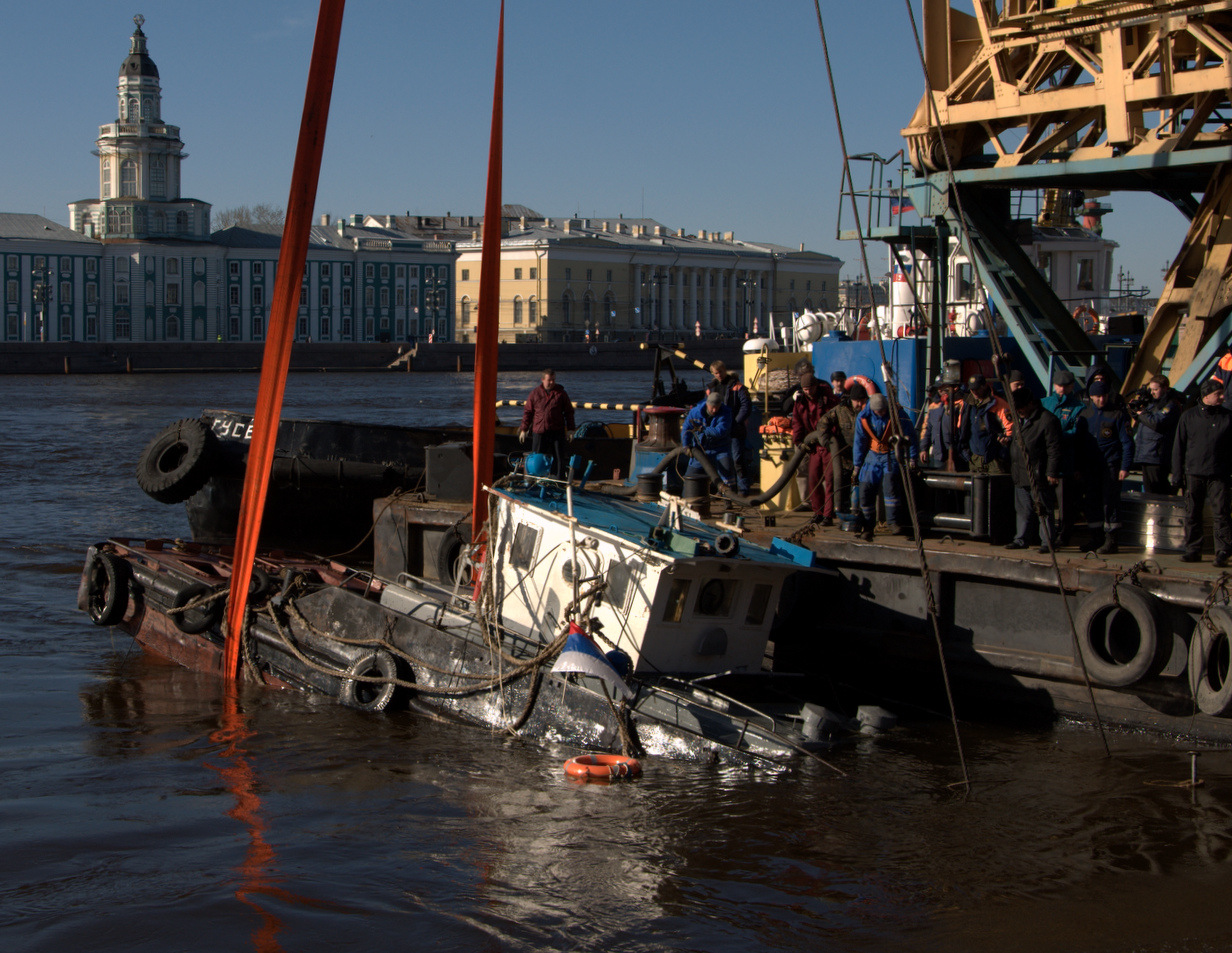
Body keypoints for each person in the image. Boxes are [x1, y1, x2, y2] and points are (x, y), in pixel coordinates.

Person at [1171, 379, 1232, 564]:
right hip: (1194, 471)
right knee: (1192, 513)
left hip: (1219, 473)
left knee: (1221, 512)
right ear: (1206, 395)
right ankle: (1193, 549)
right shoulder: (1189, 417)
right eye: (1217, 394)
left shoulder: (1228, 417)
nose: (1222, 397)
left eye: (1222, 393)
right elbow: (1178, 447)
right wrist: (1177, 473)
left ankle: (1222, 550)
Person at [1076, 378, 1134, 554]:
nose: (1102, 399)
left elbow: (1127, 443)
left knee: (1110, 502)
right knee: (1091, 502)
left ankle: (1111, 540)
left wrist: (1125, 467)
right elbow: (1078, 444)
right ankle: (1096, 537)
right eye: (1098, 396)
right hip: (1091, 467)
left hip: (1110, 466)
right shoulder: (1085, 416)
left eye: (1105, 396)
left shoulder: (1117, 415)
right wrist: (1078, 468)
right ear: (1092, 397)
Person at [852, 392, 918, 541]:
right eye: (879, 411)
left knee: (891, 487)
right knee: (865, 489)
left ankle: (893, 523)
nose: (882, 413)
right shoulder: (863, 417)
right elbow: (859, 443)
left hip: (890, 455)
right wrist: (857, 467)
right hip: (872, 456)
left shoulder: (897, 414)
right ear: (873, 409)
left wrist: (912, 458)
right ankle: (868, 526)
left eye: (883, 410)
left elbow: (911, 436)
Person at [1004, 388, 1062, 552]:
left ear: (1031, 404)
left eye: (1021, 408)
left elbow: (1054, 450)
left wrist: (1052, 472)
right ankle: (1021, 539)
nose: (1019, 411)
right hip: (1020, 473)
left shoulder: (1047, 421)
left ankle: (1048, 542)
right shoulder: (1020, 420)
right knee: (1023, 510)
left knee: (1043, 509)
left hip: (1038, 474)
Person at [1042, 369, 1085, 543]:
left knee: (1065, 503)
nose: (1061, 390)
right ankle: (1046, 534)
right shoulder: (1044, 403)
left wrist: (1056, 435)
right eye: (1059, 386)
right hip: (1046, 461)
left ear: (1072, 386)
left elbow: (1077, 434)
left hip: (1066, 462)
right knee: (1045, 501)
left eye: (1065, 386)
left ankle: (1064, 535)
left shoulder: (1078, 408)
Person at [817, 382, 868, 527]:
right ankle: (841, 514)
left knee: (861, 488)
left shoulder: (868, 412)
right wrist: (826, 441)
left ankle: (863, 516)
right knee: (842, 487)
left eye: (862, 401)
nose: (859, 404)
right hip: (846, 459)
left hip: (863, 460)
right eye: (856, 401)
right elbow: (822, 423)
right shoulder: (840, 410)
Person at [791, 371, 838, 521]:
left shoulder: (829, 399)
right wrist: (798, 441)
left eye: (810, 388)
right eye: (805, 389)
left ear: (816, 386)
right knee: (813, 478)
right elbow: (797, 421)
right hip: (813, 445)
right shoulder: (800, 402)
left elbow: (836, 419)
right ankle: (818, 511)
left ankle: (828, 514)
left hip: (829, 444)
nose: (808, 392)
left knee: (830, 479)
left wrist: (830, 438)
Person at [519, 368, 575, 478]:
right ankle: (536, 480)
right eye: (549, 380)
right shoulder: (535, 394)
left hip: (556, 430)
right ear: (543, 380)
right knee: (537, 459)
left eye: (553, 380)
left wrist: (570, 429)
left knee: (559, 458)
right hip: (540, 431)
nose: (552, 382)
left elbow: (569, 412)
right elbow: (528, 412)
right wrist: (524, 429)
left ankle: (558, 480)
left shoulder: (561, 394)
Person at [1131, 374, 1183, 494]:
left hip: (1156, 454)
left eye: (1156, 389)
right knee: (1150, 490)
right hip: (1146, 452)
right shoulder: (1153, 403)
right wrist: (1137, 413)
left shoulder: (1170, 405)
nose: (1152, 393)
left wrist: (1142, 414)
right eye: (1151, 389)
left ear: (1165, 388)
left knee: (1158, 491)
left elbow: (1156, 422)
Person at [707, 360, 753, 493]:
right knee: (719, 461)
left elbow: (746, 406)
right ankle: (723, 488)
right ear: (713, 374)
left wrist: (736, 421)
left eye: (720, 372)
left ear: (725, 370)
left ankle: (743, 489)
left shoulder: (737, 386)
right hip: (718, 430)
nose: (719, 375)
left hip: (734, 430)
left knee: (737, 459)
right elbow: (707, 407)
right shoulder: (711, 388)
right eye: (716, 373)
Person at [958, 374, 1013, 473]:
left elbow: (1010, 428)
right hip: (974, 458)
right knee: (976, 487)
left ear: (984, 385)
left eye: (977, 389)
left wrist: (1005, 443)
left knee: (996, 486)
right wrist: (967, 454)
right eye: (972, 389)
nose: (974, 392)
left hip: (994, 459)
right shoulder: (967, 404)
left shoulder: (998, 403)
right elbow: (962, 428)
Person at [682, 391, 736, 489]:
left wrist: (703, 429)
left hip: (720, 449)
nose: (714, 410)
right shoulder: (695, 412)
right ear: (707, 404)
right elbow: (686, 429)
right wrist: (685, 445)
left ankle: (729, 500)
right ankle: (688, 497)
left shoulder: (726, 413)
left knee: (727, 472)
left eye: (717, 407)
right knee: (691, 477)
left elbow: (719, 432)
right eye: (712, 407)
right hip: (701, 449)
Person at [918, 380, 954, 468]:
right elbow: (926, 429)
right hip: (938, 453)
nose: (940, 390)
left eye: (944, 388)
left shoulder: (957, 404)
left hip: (955, 454)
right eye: (939, 388)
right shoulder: (933, 407)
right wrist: (924, 448)